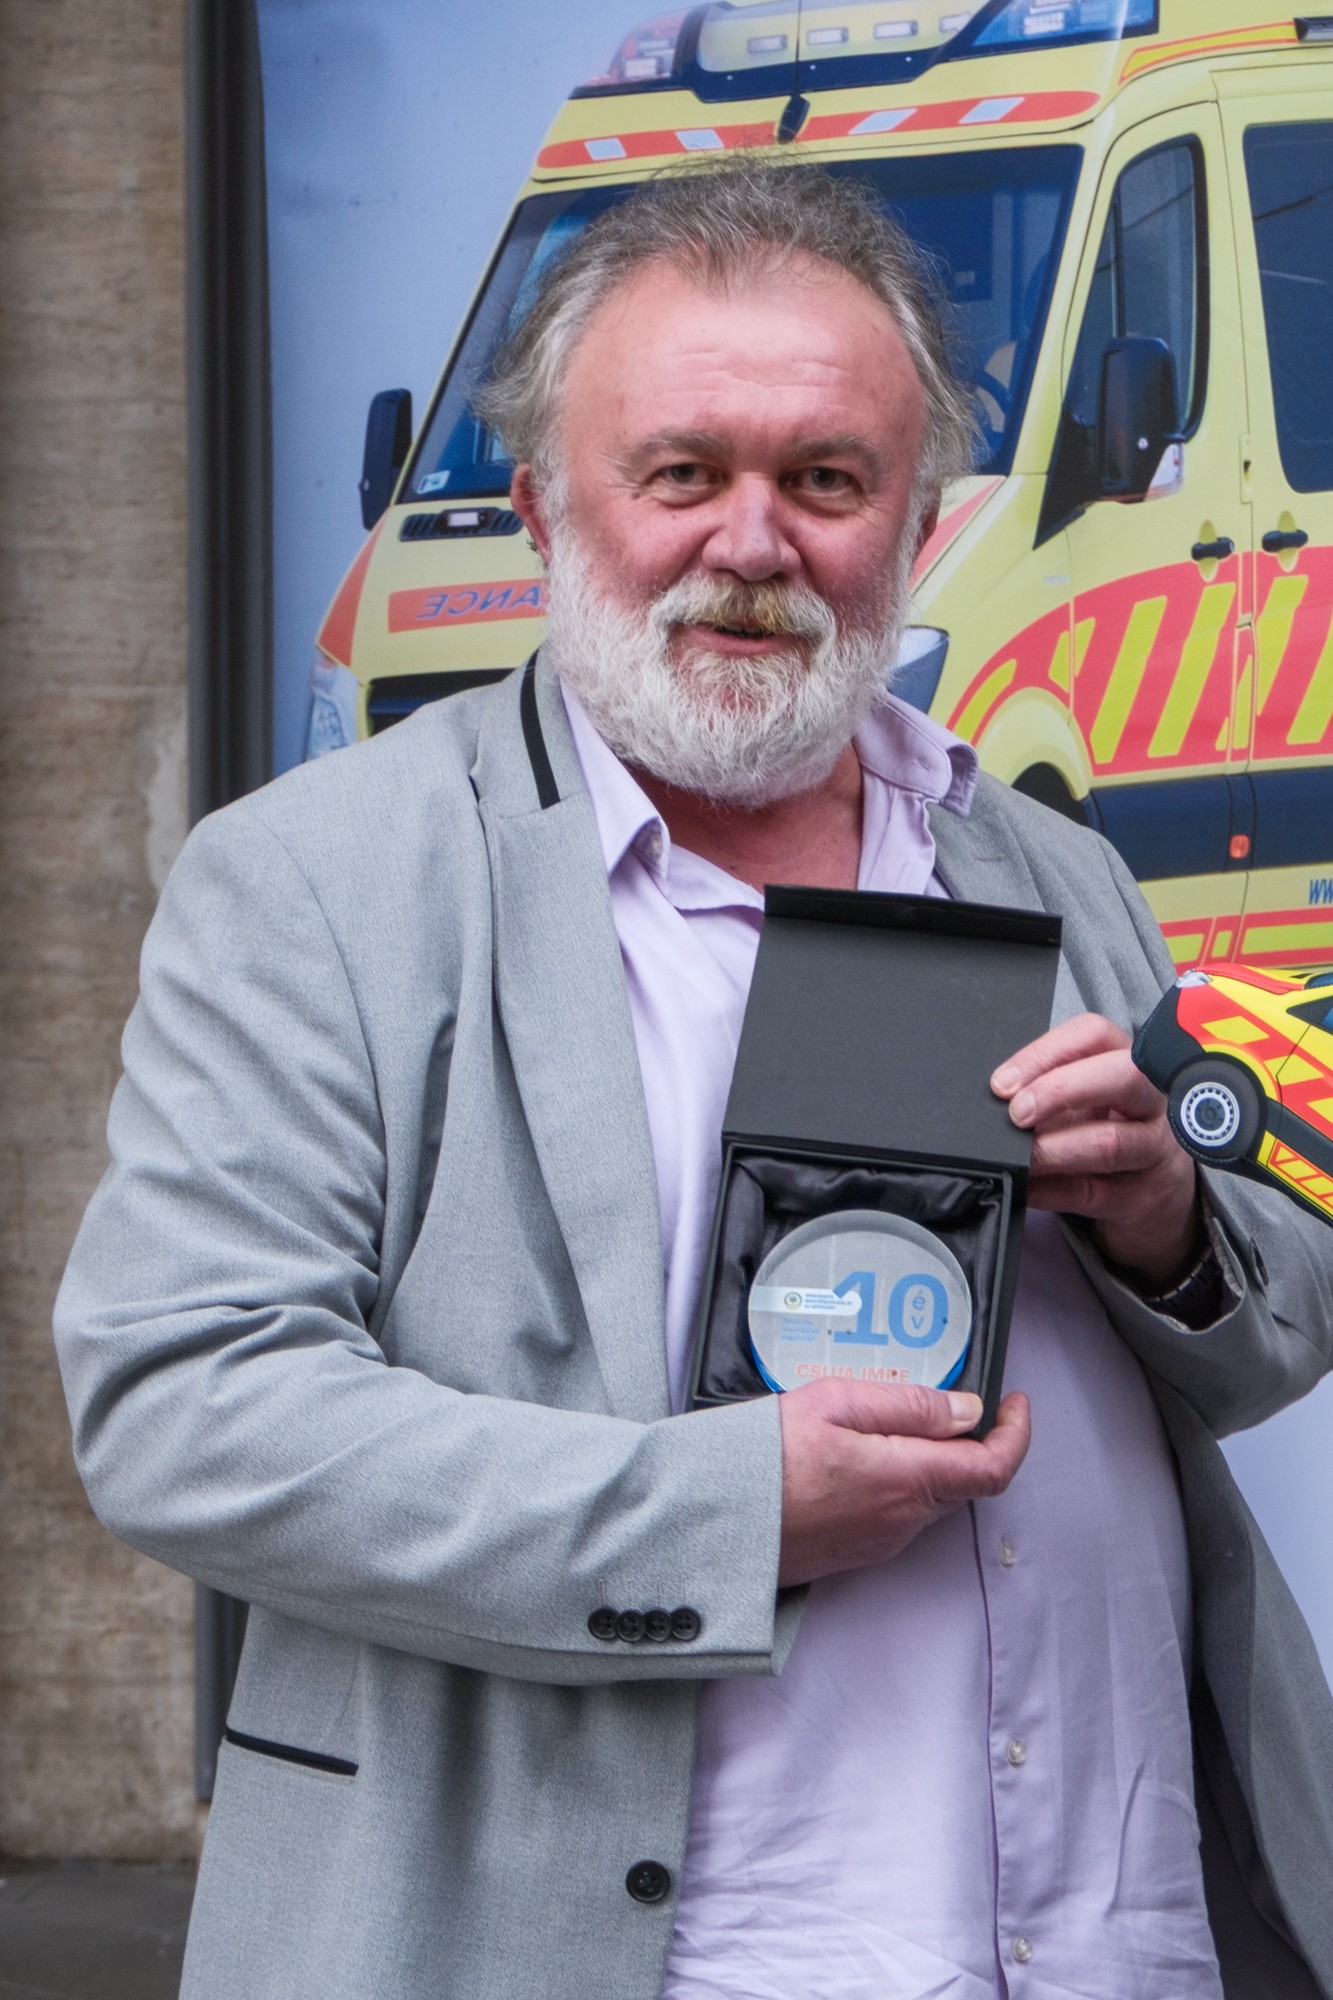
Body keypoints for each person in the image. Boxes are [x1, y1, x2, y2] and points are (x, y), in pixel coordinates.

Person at [56, 163, 1333, 2000]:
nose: (754, 541)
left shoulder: (1046, 865)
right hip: (623, 1954)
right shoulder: (322, 882)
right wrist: (727, 1519)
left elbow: (1264, 1342)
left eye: (826, 479)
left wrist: (1159, 1221)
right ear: (542, 505)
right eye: (680, 473)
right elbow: (186, 1408)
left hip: (1106, 1938)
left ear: (915, 523)